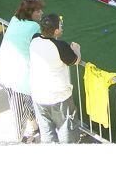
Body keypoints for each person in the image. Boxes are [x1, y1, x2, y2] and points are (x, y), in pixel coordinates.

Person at [0, 0, 44, 143]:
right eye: (38, 11)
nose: (41, 13)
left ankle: (34, 124)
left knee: (22, 101)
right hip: (18, 75)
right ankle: (19, 138)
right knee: (18, 107)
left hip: (3, 67)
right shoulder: (34, 27)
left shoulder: (15, 19)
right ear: (30, 12)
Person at [29, 13, 82, 143]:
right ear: (56, 30)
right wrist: (77, 49)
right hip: (59, 97)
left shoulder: (34, 39)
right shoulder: (61, 46)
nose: (62, 27)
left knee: (47, 133)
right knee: (67, 131)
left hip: (38, 96)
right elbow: (75, 60)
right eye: (60, 25)